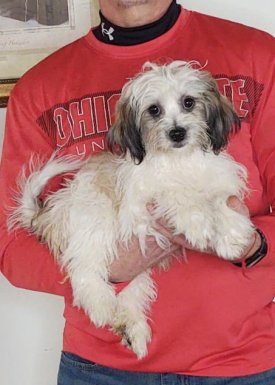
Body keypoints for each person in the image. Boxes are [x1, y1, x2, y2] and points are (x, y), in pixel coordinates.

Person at [0, 1, 275, 384]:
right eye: (156, 112)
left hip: (243, 364)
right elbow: (10, 246)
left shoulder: (259, 55)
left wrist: (255, 245)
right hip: (100, 369)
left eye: (187, 106)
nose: (175, 124)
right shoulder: (38, 89)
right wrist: (107, 269)